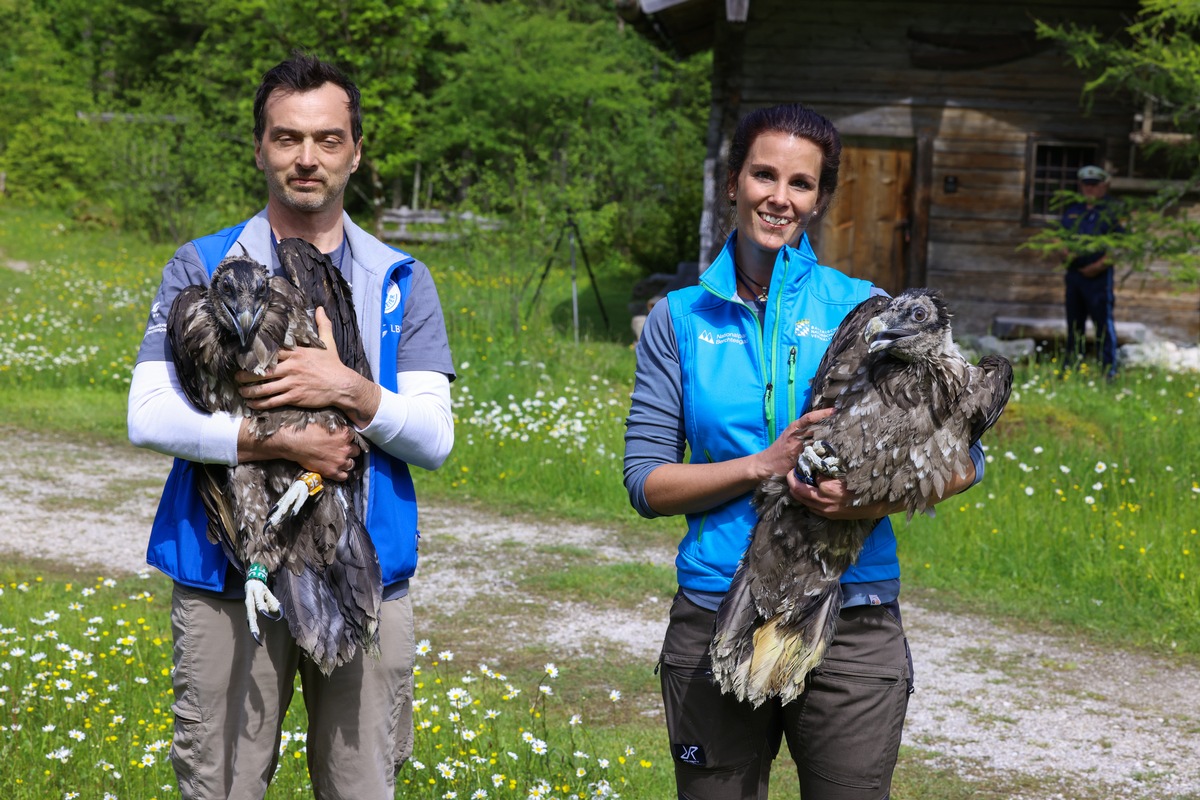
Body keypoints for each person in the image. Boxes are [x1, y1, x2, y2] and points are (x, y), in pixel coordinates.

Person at [623, 103, 986, 799]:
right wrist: (764, 464)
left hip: (852, 613)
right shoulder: (679, 317)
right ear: (732, 182)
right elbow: (647, 483)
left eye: (800, 183)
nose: (778, 197)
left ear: (819, 199)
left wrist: (867, 499)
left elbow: (966, 462)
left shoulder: (875, 311)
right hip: (717, 602)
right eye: (763, 175)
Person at [127, 53, 455, 799]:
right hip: (224, 575)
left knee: (361, 786)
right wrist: (273, 440)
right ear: (260, 147)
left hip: (360, 566)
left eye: (328, 139)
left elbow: (435, 437)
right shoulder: (202, 266)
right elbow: (147, 416)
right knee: (222, 786)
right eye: (287, 138)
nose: (307, 158)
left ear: (356, 151)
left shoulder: (400, 278)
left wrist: (348, 388)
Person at [1060, 164, 1124, 380]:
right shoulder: (1072, 211)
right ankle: (1072, 368)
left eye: (1094, 185)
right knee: (1074, 325)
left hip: (1098, 278)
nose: (1089, 189)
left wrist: (1098, 266)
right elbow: (1059, 238)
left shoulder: (1112, 212)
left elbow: (1119, 245)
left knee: (1103, 326)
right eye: (1086, 184)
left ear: (1104, 186)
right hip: (1075, 275)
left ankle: (1109, 372)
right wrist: (1066, 252)